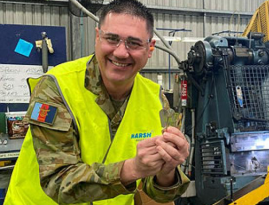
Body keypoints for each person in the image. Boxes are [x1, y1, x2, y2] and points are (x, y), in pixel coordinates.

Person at [5, 0, 190, 204]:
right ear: (97, 37)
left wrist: (167, 171)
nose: (121, 52)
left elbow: (157, 192)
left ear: (150, 48)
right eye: (112, 39)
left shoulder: (155, 99)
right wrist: (133, 168)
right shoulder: (56, 87)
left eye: (134, 43)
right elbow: (57, 183)